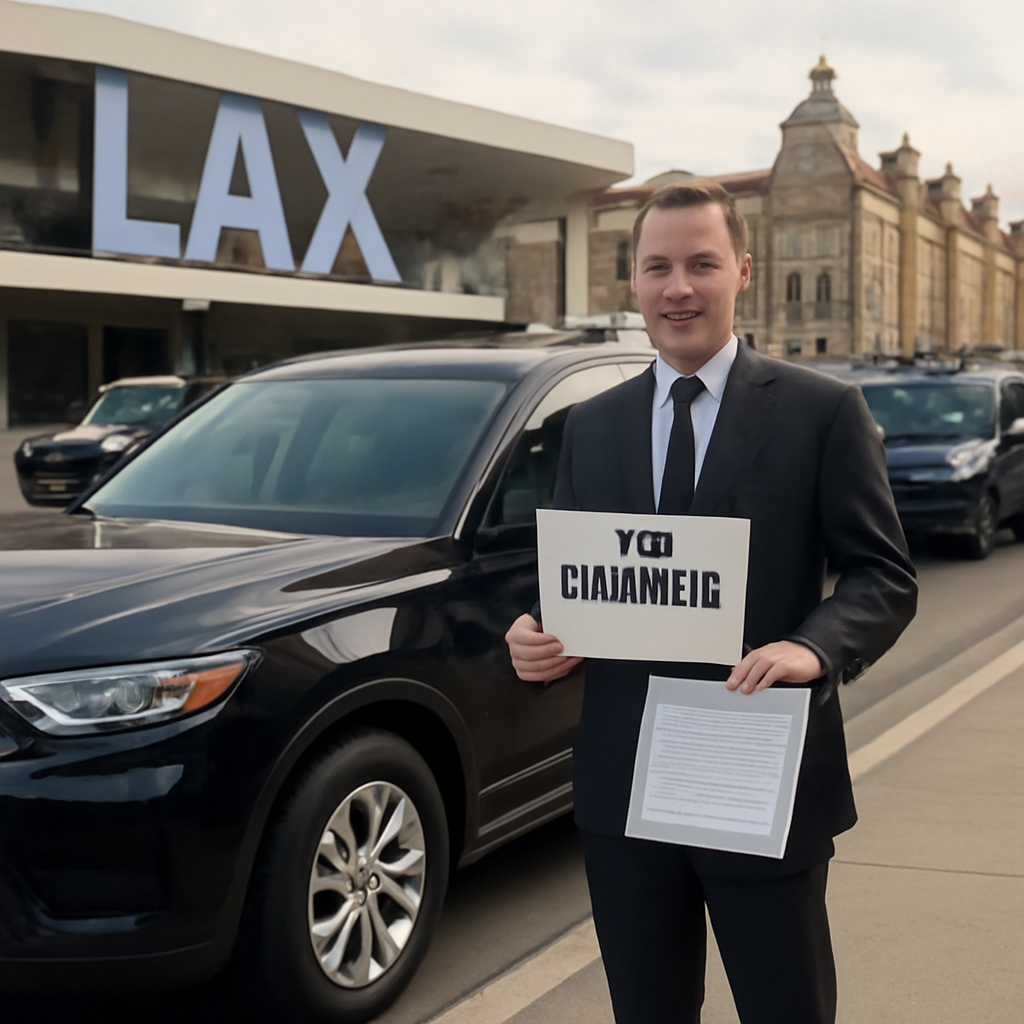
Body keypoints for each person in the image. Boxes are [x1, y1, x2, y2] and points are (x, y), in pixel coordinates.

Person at [505, 181, 917, 1024]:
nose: (678, 287)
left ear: (743, 272)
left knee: (785, 1006)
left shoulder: (822, 410)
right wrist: (540, 635)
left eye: (701, 264)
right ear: (634, 281)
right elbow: (582, 581)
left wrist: (815, 645)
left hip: (756, 765)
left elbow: (883, 577)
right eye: (658, 267)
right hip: (626, 784)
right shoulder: (593, 425)